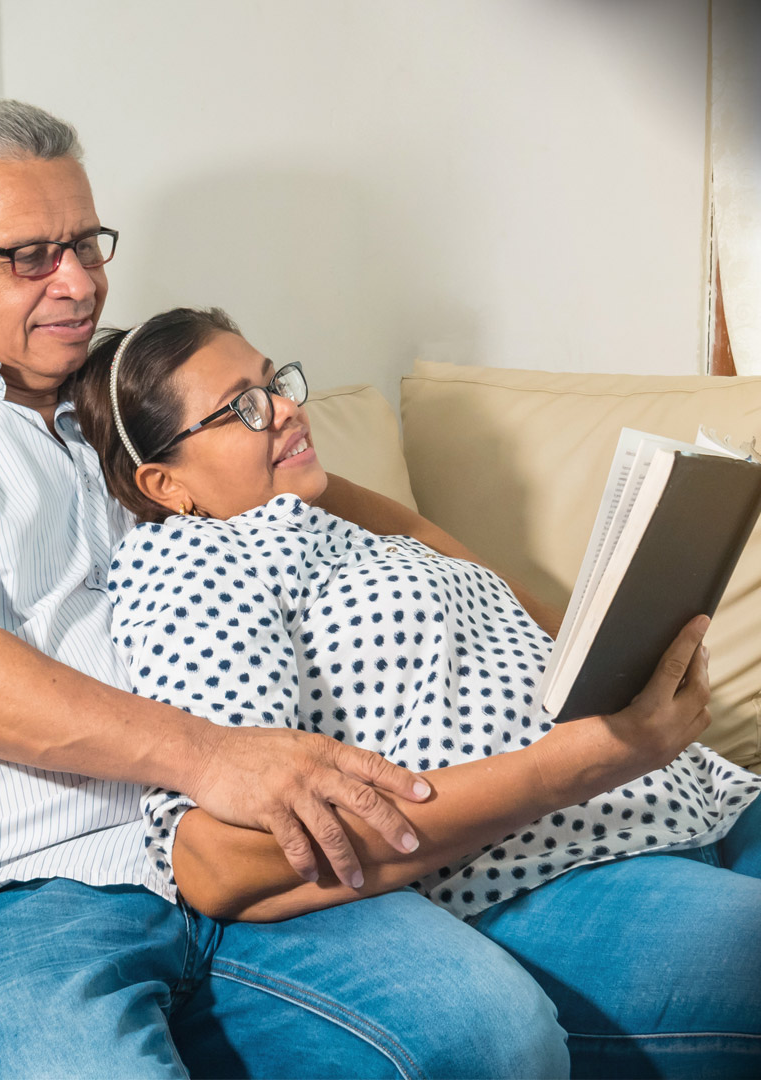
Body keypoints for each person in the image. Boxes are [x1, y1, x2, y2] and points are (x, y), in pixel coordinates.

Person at [0, 99, 579, 1079]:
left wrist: (533, 609)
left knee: (496, 1033)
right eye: (32, 256)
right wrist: (216, 757)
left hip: (213, 874)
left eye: (88, 243)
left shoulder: (122, 417)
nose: (79, 282)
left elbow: (310, 494)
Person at [71, 306, 761, 1078]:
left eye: (277, 383)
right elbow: (227, 861)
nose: (288, 408)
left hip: (701, 792)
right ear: (164, 483)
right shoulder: (191, 564)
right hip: (551, 869)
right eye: (244, 407)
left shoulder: (335, 520)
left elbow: (549, 633)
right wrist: (575, 767)